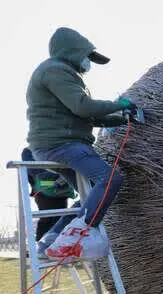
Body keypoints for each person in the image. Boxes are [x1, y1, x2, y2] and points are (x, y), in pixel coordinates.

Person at [26, 27, 140, 260]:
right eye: (87, 57)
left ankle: (51, 239)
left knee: (89, 195)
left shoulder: (65, 75)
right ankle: (79, 234)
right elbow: (83, 107)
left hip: (60, 144)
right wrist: (119, 104)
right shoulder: (55, 70)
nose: (88, 63)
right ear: (73, 52)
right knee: (110, 178)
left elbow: (86, 116)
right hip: (62, 144)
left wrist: (122, 117)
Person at [20, 147, 76, 243]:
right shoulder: (29, 151)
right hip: (45, 191)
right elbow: (35, 172)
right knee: (48, 220)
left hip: (60, 191)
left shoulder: (54, 148)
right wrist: (61, 175)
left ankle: (53, 247)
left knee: (58, 220)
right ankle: (41, 246)